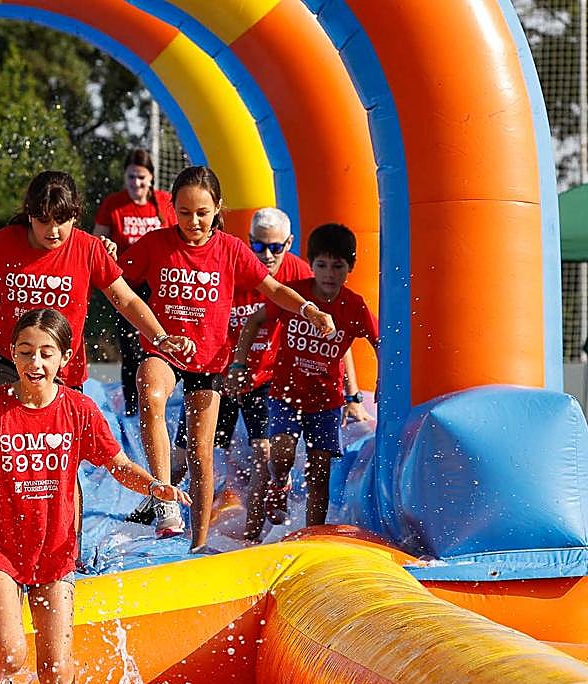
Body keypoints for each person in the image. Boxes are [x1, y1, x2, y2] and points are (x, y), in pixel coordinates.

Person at [0, 310, 189, 684]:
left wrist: (155, 486)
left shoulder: (79, 410)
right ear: (13, 356)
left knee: (56, 672)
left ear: (64, 359)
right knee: (12, 653)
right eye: (25, 352)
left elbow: (118, 466)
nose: (35, 363)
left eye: (46, 354)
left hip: (55, 551)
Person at [0, 171, 192, 529]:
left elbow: (124, 298)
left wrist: (160, 337)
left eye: (63, 221)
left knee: (62, 467)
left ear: (76, 216)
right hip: (8, 358)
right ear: (29, 214)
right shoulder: (4, 243)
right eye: (44, 221)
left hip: (63, 369)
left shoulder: (89, 248)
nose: (54, 230)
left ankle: (70, 553)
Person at [121, 167, 335, 549]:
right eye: (184, 212)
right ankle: (164, 499)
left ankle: (198, 543)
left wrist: (309, 310)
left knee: (202, 454)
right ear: (173, 209)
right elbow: (117, 281)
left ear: (217, 208)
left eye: (202, 212)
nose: (193, 222)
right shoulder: (157, 245)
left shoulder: (231, 249)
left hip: (208, 361)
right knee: (150, 391)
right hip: (165, 347)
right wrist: (104, 252)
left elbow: (271, 287)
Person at [228, 223, 378, 541]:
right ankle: (280, 481)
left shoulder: (354, 307)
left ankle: (313, 535)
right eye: (321, 265)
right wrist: (239, 363)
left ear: (350, 267)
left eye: (337, 266)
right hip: (285, 393)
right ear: (311, 264)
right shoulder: (298, 297)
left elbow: (381, 341)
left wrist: (382, 379)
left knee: (319, 471)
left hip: (325, 402)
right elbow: (255, 321)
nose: (328, 274)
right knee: (280, 454)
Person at [92, 149, 177, 416]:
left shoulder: (164, 203)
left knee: (160, 339)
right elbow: (98, 241)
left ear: (151, 178)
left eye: (141, 178)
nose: (136, 184)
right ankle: (132, 407)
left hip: (158, 284)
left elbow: (178, 239)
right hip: (127, 284)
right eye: (131, 177)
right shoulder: (114, 204)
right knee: (130, 345)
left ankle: (164, 395)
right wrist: (107, 252)